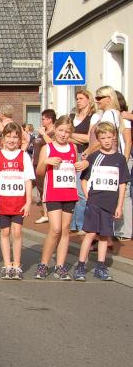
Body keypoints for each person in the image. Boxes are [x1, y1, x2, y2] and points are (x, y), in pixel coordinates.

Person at [74, 122, 129, 281]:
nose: (106, 140)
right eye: (102, 137)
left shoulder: (120, 159)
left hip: (110, 203)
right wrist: (88, 196)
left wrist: (119, 205)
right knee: (90, 234)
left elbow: (122, 183)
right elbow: (84, 179)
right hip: (95, 202)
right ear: (98, 139)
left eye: (109, 137)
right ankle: (81, 266)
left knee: (105, 235)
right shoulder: (94, 157)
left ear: (114, 138)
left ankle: (100, 267)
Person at [35, 116, 83, 280]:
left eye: (67, 132)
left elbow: (75, 168)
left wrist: (82, 165)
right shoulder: (47, 148)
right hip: (53, 193)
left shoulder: (73, 148)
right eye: (61, 130)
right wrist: (46, 162)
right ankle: (43, 264)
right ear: (55, 129)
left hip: (69, 192)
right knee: (55, 229)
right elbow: (39, 173)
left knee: (65, 229)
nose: (63, 134)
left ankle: (60, 266)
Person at [0, 123, 35, 280]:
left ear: (20, 139)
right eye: (8, 136)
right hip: (3, 201)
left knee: (16, 232)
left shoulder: (24, 156)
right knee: (5, 232)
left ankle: (17, 265)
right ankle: (7, 265)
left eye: (15, 137)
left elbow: (28, 180)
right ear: (3, 138)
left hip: (18, 201)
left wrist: (28, 202)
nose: (12, 139)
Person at [88, 86, 132, 241]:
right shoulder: (119, 115)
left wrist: (88, 153)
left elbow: (104, 139)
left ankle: (108, 232)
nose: (97, 100)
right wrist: (125, 158)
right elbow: (127, 140)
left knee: (106, 193)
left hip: (111, 159)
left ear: (109, 98)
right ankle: (121, 231)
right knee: (122, 193)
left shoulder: (108, 114)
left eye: (100, 97)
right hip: (119, 158)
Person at [69, 90, 98, 235]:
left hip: (85, 155)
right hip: (71, 154)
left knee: (81, 190)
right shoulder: (73, 116)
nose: (78, 101)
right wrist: (71, 137)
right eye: (76, 98)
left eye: (81, 98)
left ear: (88, 99)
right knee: (71, 188)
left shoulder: (93, 117)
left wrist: (70, 134)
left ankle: (81, 224)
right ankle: (72, 224)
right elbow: (63, 136)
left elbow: (89, 138)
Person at [32, 109, 57, 224]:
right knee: (41, 189)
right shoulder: (42, 131)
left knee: (46, 189)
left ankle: (48, 214)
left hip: (46, 163)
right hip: (37, 163)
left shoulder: (54, 132)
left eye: (43, 119)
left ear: (49, 119)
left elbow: (52, 145)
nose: (41, 121)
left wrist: (43, 134)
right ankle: (46, 212)